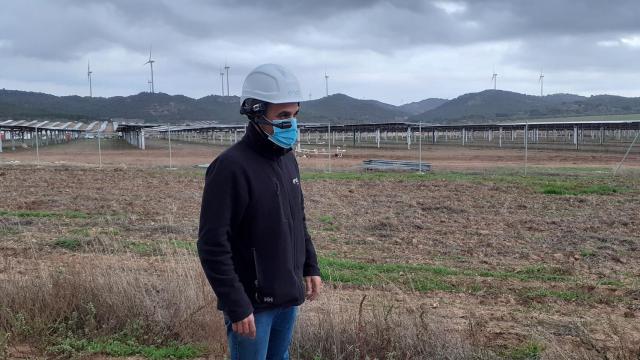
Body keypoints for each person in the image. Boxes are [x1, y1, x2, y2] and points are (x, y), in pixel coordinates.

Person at [197, 63, 322, 360]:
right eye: (282, 116)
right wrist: (236, 303)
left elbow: (297, 220)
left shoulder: (288, 161)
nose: (291, 123)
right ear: (255, 114)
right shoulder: (230, 167)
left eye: (294, 115)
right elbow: (212, 244)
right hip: (252, 305)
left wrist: (310, 266)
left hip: (288, 296)